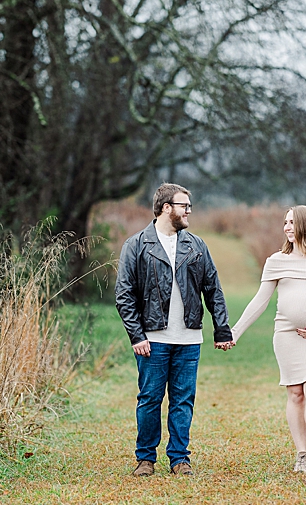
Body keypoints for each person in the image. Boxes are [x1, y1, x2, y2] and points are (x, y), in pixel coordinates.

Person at [115, 183, 235, 477]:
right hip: (152, 340)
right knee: (150, 399)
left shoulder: (196, 245)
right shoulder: (136, 244)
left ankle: (180, 459)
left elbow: (213, 289)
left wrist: (222, 329)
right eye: (184, 206)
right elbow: (124, 294)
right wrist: (137, 335)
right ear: (166, 208)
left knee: (183, 400)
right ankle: (145, 459)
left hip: (189, 338)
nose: (188, 211)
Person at [230, 205, 306, 473]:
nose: (286, 227)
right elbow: (260, 301)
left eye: (292, 222)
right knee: (296, 394)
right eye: (285, 222)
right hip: (287, 336)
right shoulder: (276, 261)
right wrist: (235, 331)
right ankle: (301, 454)